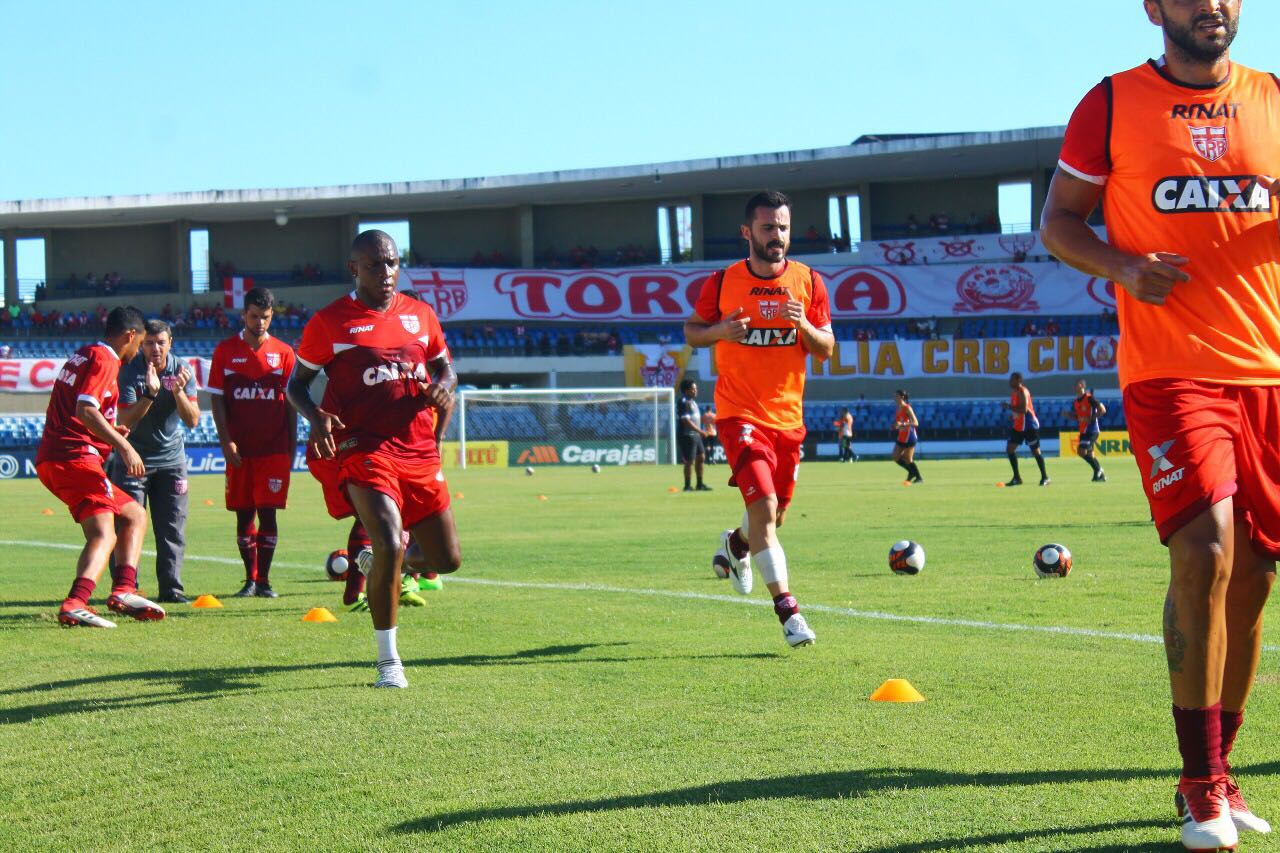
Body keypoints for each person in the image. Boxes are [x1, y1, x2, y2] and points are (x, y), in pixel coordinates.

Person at [1040, 1, 1280, 844]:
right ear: (1154, 7)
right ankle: (1196, 782)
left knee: (1253, 576)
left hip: (1268, 370)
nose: (1210, 4)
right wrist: (1123, 266)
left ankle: (1221, 768)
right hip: (1171, 369)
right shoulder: (1108, 104)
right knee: (1206, 548)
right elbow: (1059, 222)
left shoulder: (1275, 100)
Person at [288, 229, 461, 689]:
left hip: (419, 447)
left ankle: (383, 566)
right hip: (362, 446)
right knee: (387, 540)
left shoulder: (421, 315)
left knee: (446, 561)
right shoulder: (330, 322)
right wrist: (317, 416)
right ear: (354, 269)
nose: (386, 273)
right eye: (374, 265)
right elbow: (296, 385)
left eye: (392, 263)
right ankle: (389, 663)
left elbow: (445, 366)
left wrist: (445, 385)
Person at [684, 190, 834, 647]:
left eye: (784, 227)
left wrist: (802, 325)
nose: (778, 236)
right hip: (739, 414)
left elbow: (826, 347)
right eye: (768, 228)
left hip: (788, 420)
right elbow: (692, 331)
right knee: (765, 509)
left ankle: (736, 544)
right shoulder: (722, 281)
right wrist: (720, 332)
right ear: (747, 232)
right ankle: (789, 614)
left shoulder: (809, 282)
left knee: (773, 517)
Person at [35, 306, 166, 627]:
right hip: (73, 458)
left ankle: (123, 590)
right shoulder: (106, 359)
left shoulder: (84, 354)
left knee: (134, 514)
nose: (139, 351)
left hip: (61, 456)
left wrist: (114, 433)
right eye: (140, 343)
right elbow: (85, 410)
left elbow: (87, 413)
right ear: (130, 336)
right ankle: (75, 602)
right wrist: (125, 447)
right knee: (104, 533)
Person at [207, 288, 297, 598]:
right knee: (244, 514)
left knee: (268, 513)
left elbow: (291, 404)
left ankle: (265, 581)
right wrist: (225, 442)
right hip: (239, 451)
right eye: (255, 316)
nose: (260, 322)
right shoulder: (225, 351)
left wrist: (293, 444)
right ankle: (249, 579)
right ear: (244, 314)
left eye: (266, 317)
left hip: (274, 449)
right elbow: (217, 401)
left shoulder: (285, 354)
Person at [109, 320, 201, 603]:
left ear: (170, 342)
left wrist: (178, 393)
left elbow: (193, 420)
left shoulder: (183, 371)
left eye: (161, 342)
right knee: (126, 525)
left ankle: (171, 589)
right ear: (141, 344)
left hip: (172, 461)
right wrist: (150, 393)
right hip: (132, 459)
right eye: (149, 343)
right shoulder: (129, 370)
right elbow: (126, 420)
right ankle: (126, 589)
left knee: (172, 526)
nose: (155, 349)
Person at [1002, 372, 1049, 487]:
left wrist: (1009, 407)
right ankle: (1017, 478)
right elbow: (1018, 411)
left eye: (1012, 379)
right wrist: (1012, 415)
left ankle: (1045, 477)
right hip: (1018, 426)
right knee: (1010, 449)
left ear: (1018, 380)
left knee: (1036, 452)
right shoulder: (1014, 393)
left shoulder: (1023, 391)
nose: (1010, 381)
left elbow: (1023, 409)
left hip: (1029, 426)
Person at [1067, 378, 1107, 483]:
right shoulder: (1076, 402)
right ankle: (1100, 475)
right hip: (1083, 431)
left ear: (1081, 385)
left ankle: (1098, 469)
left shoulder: (1089, 398)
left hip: (1092, 430)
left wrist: (1092, 418)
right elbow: (1078, 417)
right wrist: (1069, 415)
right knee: (1089, 454)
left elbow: (1102, 409)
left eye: (1076, 385)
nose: (1074, 387)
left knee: (1081, 451)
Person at [677, 379, 711, 491]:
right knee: (689, 461)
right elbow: (686, 421)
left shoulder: (693, 402)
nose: (696, 391)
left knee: (701, 457)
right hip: (687, 435)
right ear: (686, 391)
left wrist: (701, 429)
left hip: (695, 434)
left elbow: (695, 419)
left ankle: (699, 484)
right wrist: (701, 431)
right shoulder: (683, 402)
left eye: (696, 388)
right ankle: (687, 486)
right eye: (693, 389)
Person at [891, 391, 921, 483]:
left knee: (908, 459)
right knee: (895, 456)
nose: (894, 398)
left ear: (902, 397)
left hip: (909, 436)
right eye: (894, 396)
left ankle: (919, 478)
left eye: (896, 396)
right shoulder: (898, 408)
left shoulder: (907, 408)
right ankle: (911, 472)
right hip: (901, 436)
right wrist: (896, 426)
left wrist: (903, 423)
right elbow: (899, 422)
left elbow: (916, 423)